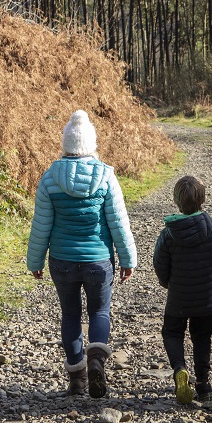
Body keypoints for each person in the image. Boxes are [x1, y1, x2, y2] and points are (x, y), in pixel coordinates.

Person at [27, 109, 138, 398]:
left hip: (62, 262)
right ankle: (97, 361)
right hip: (98, 261)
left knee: (71, 315)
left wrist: (35, 261)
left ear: (66, 144)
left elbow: (41, 225)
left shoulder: (50, 177)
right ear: (91, 145)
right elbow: (118, 222)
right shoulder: (106, 176)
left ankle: (76, 380)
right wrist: (128, 260)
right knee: (100, 311)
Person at [153, 175, 212, 404]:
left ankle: (179, 369)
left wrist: (168, 284)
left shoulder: (169, 233)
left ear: (177, 201)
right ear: (203, 200)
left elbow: (160, 265)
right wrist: (211, 282)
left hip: (177, 296)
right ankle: (203, 384)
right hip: (206, 298)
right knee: (202, 337)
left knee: (172, 332)